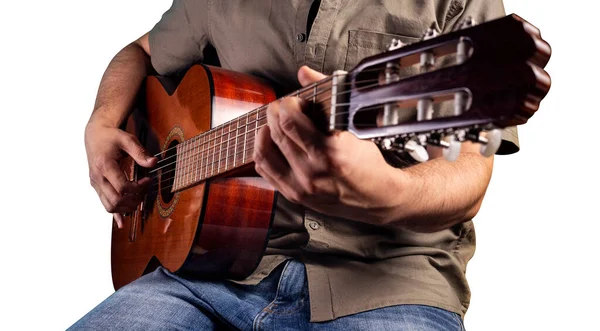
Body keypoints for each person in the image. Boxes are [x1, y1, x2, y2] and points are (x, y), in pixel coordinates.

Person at [74, 0, 520, 330]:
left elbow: (468, 178)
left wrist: (385, 193)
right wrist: (102, 122)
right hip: (207, 274)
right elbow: (141, 51)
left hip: (387, 283)